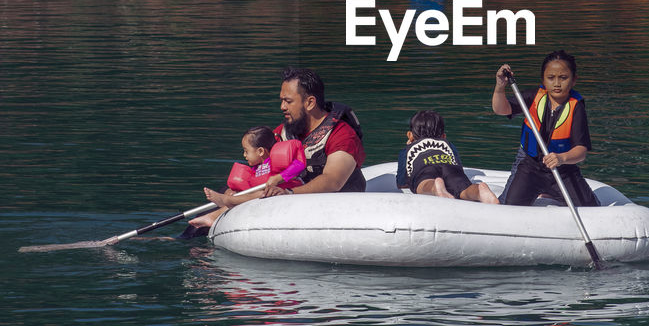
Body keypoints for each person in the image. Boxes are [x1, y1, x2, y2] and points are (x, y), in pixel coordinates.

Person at [204, 67, 366, 210]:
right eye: (281, 100)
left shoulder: (343, 135)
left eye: (288, 101)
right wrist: (233, 191)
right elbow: (259, 167)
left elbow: (332, 181)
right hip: (289, 200)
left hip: (333, 205)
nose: (282, 107)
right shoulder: (283, 132)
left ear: (310, 103)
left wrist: (288, 193)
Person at [492, 50, 599, 207]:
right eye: (551, 78)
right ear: (543, 79)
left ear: (574, 80)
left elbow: (581, 151)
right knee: (509, 206)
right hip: (530, 166)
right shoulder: (533, 96)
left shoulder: (577, 107)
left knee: (590, 208)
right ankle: (540, 189)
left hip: (563, 169)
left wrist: (561, 158)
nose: (557, 83)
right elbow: (501, 109)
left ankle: (549, 190)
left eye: (563, 78)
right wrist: (500, 87)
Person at [185, 126, 306, 231]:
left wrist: (279, 177)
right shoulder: (257, 169)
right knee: (247, 194)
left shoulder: (276, 161)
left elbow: (300, 164)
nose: (244, 155)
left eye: (246, 151)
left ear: (260, 151)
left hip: (283, 194)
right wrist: (233, 192)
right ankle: (218, 209)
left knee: (261, 194)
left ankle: (225, 201)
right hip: (263, 195)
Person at [396, 110, 499, 203]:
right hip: (450, 167)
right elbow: (458, 166)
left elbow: (401, 183)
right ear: (443, 136)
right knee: (463, 189)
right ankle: (479, 191)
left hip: (425, 169)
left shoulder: (407, 150)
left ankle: (434, 188)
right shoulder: (448, 144)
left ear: (410, 135)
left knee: (423, 184)